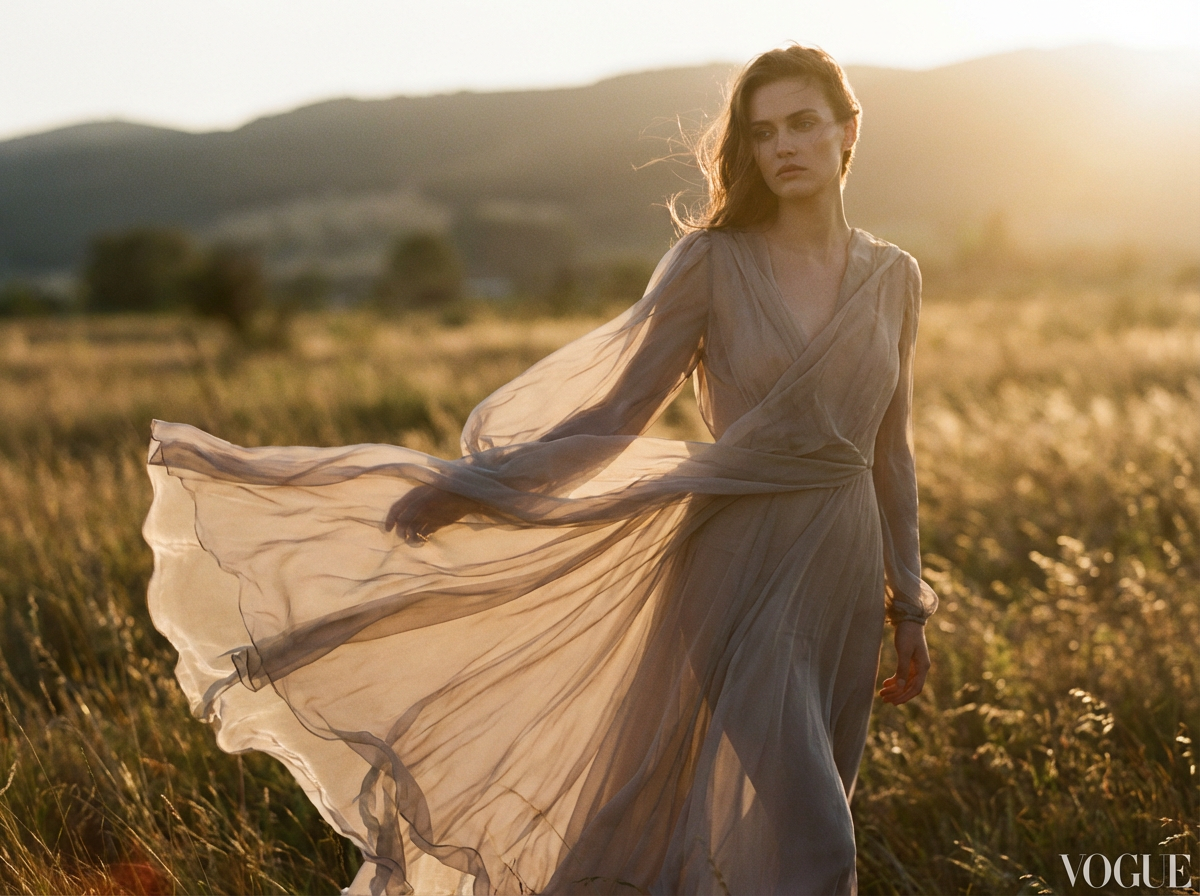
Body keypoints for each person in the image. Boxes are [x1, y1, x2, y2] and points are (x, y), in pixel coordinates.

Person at [144, 44, 937, 896]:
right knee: (822, 846)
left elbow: (890, 452)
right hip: (737, 571)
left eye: (802, 124)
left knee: (778, 832)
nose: (782, 146)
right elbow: (616, 415)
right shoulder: (714, 263)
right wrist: (481, 484)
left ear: (848, 131)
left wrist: (908, 600)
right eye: (763, 131)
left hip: (845, 580)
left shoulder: (895, 278)